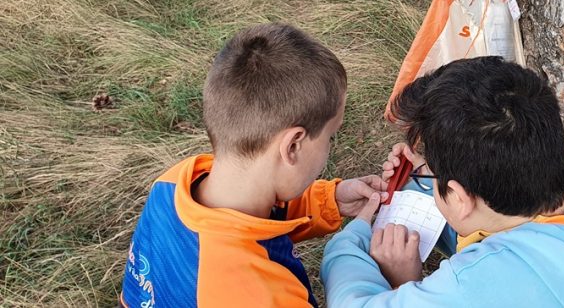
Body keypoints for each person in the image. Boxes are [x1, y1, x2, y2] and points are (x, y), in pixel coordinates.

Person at [321, 56, 564, 307]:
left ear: (459, 197)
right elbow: (490, 226)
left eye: (433, 178)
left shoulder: (466, 287)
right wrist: (422, 180)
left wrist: (351, 243)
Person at [120, 23, 385, 307]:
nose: (330, 145)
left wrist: (331, 200)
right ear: (292, 146)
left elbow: (254, 218)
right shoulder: (262, 295)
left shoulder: (173, 183)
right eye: (330, 135)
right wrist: (388, 281)